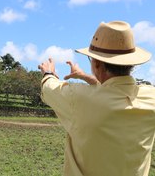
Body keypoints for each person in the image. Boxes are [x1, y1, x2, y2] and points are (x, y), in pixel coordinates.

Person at [38, 21, 155, 176]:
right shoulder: (150, 96)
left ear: (97, 64)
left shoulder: (79, 97)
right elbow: (114, 91)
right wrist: (85, 76)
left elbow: (49, 88)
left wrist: (48, 73)